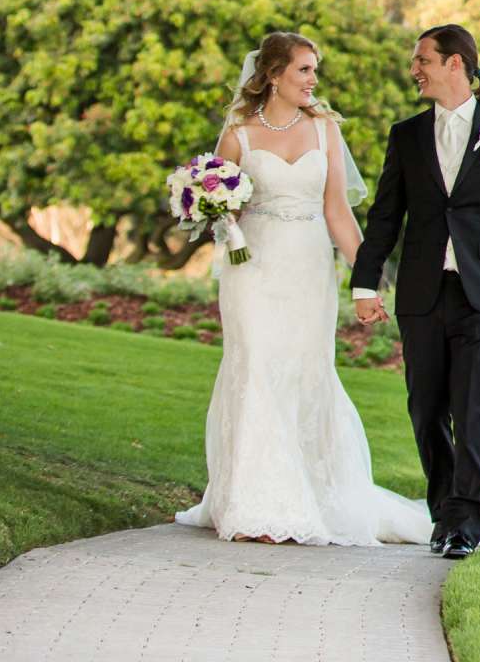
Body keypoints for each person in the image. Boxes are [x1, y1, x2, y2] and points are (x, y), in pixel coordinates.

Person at [176, 31, 432, 546]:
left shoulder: (324, 131)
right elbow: (225, 207)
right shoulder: (239, 134)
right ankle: (255, 504)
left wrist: (369, 280)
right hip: (252, 268)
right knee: (255, 367)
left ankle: (308, 494)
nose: (314, 80)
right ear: (273, 75)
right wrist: (211, 208)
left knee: (304, 371)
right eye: (304, 70)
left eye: (315, 70)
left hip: (309, 268)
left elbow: (338, 211)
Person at [350, 23, 480, 558]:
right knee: (425, 407)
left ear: (454, 64)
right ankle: (443, 512)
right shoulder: (405, 135)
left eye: (423, 61)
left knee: (473, 406)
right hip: (421, 293)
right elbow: (386, 217)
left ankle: (466, 521)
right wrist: (366, 281)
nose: (415, 70)